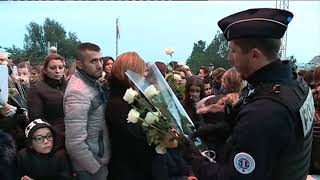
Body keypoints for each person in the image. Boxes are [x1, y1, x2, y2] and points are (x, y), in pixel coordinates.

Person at [181, 8, 314, 180]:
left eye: (233, 51)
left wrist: (191, 155)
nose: (229, 57)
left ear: (254, 55)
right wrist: (214, 129)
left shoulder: (265, 111)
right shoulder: (295, 84)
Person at [64, 42, 110, 179]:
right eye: (93, 61)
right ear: (79, 64)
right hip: (90, 168)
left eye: (101, 59)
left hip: (97, 159)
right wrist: (96, 168)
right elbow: (74, 143)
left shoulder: (91, 82)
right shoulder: (77, 92)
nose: (100, 65)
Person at [105, 52, 154, 180]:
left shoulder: (130, 97)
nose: (144, 75)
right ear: (130, 74)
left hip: (136, 166)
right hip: (127, 169)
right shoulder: (117, 103)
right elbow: (135, 135)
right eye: (141, 72)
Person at [27, 54, 68, 150]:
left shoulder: (69, 85)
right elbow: (36, 119)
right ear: (45, 70)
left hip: (73, 135)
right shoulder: (37, 89)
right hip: (54, 140)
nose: (57, 71)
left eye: (60, 67)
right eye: (53, 68)